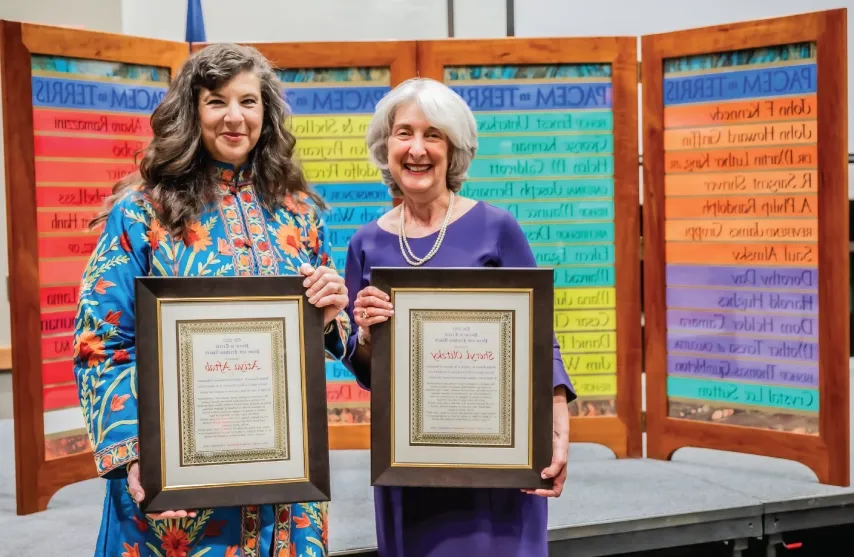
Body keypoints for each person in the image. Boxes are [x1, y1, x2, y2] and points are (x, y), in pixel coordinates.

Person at [73, 43, 349, 557]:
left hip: (283, 489)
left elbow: (328, 335)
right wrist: (137, 454)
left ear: (266, 114)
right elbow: (101, 344)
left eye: (248, 102)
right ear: (191, 111)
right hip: (177, 487)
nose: (234, 117)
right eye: (217, 101)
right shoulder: (143, 214)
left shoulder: (300, 213)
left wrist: (333, 313)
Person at [341, 77, 576, 557]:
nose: (417, 149)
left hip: (496, 462)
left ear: (455, 149)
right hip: (410, 464)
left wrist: (556, 422)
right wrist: (365, 336)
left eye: (434, 135)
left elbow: (538, 339)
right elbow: (365, 370)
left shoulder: (497, 227)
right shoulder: (365, 244)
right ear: (386, 146)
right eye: (404, 133)